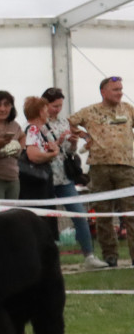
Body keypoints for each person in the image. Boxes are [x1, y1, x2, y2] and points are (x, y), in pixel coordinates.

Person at [69, 76, 134, 268]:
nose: (119, 92)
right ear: (103, 92)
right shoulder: (90, 111)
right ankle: (110, 256)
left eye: (121, 89)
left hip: (126, 167)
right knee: (104, 214)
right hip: (99, 167)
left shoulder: (128, 109)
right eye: (115, 89)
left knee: (130, 213)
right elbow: (69, 123)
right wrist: (83, 135)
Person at [41, 87, 107, 269]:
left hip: (64, 177)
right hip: (45, 177)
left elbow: (69, 152)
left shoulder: (64, 122)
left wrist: (72, 143)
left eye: (60, 106)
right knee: (46, 220)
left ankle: (89, 256)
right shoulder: (36, 125)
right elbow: (37, 150)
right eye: (54, 106)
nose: (57, 109)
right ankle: (47, 260)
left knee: (79, 214)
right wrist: (59, 142)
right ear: (44, 104)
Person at [19, 96, 59, 202]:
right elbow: (33, 156)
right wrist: (53, 154)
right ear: (41, 112)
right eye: (46, 111)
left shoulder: (25, 128)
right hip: (36, 183)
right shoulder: (33, 129)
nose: (48, 114)